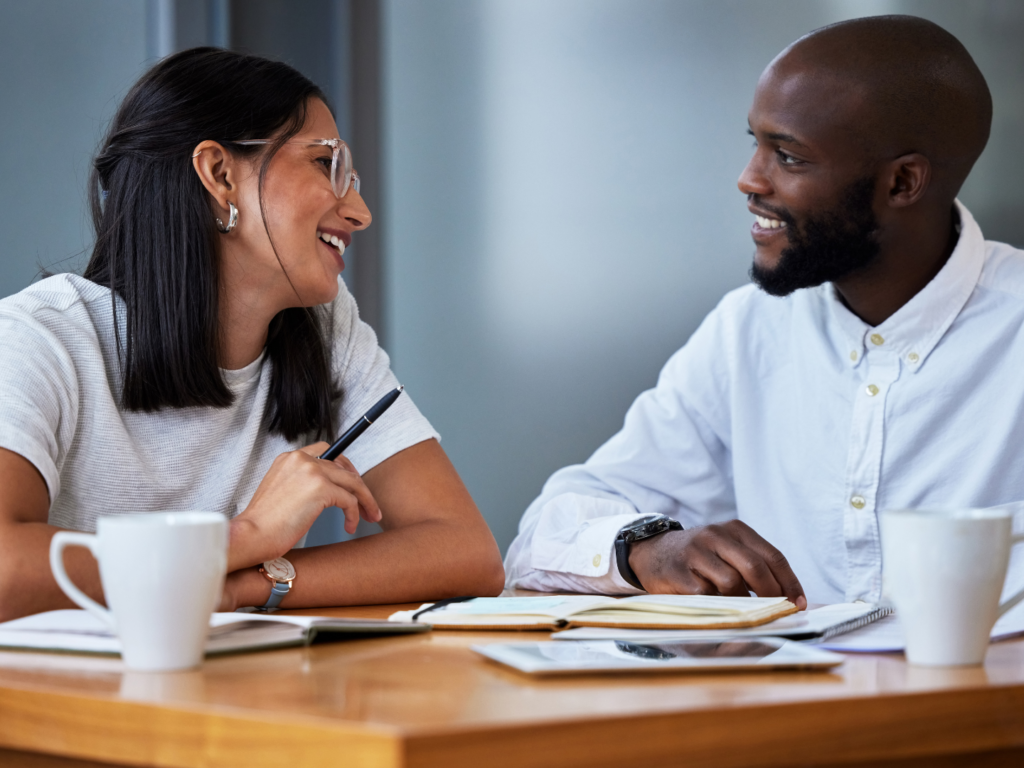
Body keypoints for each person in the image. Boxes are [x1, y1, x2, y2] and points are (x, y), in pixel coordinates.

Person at [505, 15, 1024, 606]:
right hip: (783, 697)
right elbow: (542, 536)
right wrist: (649, 549)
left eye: (790, 157)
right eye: (756, 143)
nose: (749, 180)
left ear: (903, 182)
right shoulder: (747, 331)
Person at [0, 47, 504, 622]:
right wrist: (244, 538)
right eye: (326, 164)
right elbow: (5, 572)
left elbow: (467, 550)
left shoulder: (324, 328)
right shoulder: (37, 341)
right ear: (219, 175)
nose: (360, 211)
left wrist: (246, 585)